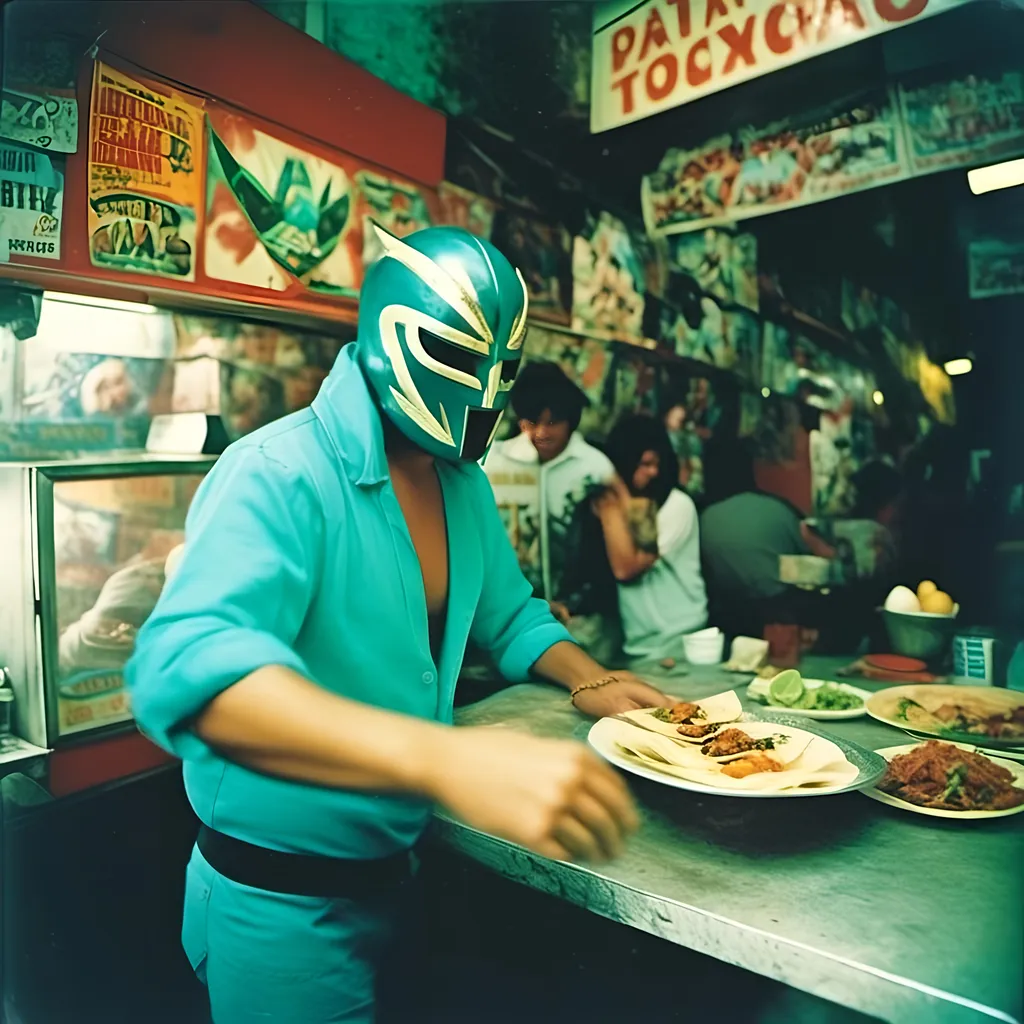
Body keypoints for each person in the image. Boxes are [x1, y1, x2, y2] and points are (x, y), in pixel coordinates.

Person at [125, 225, 667, 1024]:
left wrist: (593, 679)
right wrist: (446, 761)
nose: (485, 390)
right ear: (391, 337)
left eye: (502, 368)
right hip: (280, 904)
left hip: (406, 879)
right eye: (457, 356)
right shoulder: (279, 472)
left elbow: (511, 616)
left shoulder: (465, 487)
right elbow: (188, 671)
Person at [484, 361, 621, 662]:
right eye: (532, 422)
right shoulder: (494, 461)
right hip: (515, 618)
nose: (541, 433)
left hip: (585, 623)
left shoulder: (594, 467)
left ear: (570, 420)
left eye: (552, 422)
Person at [594, 415, 708, 663]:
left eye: (657, 463)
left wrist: (616, 495)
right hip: (638, 643)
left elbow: (628, 567)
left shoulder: (677, 505)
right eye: (645, 464)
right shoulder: (606, 505)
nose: (654, 472)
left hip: (680, 638)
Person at [699, 437, 830, 638]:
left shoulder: (704, 518)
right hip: (783, 615)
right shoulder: (779, 509)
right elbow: (810, 564)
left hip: (728, 619)